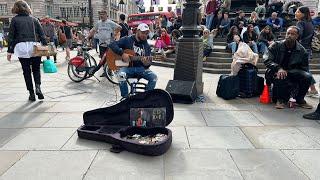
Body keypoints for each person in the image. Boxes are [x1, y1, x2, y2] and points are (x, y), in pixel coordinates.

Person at [264, 26, 313, 109]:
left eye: (292, 34)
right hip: (275, 70)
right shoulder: (276, 45)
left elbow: (304, 67)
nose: (289, 35)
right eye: (288, 33)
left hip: (292, 71)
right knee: (281, 74)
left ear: (297, 36)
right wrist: (278, 68)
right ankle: (280, 100)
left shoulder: (302, 50)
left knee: (307, 76)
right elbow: (267, 59)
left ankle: (300, 99)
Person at [7, 0, 47, 101]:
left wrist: (9, 52)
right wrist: (46, 48)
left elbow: (11, 37)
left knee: (26, 71)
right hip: (34, 46)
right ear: (27, 7)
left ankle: (31, 93)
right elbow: (42, 34)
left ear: (16, 8)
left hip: (21, 47)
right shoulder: (34, 19)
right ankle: (38, 87)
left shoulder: (14, 20)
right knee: (36, 69)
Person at [108, 23, 157, 98]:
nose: (145, 35)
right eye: (143, 33)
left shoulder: (146, 45)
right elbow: (112, 44)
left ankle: (146, 97)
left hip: (140, 68)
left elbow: (148, 64)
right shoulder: (127, 39)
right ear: (137, 31)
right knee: (121, 75)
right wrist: (122, 54)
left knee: (154, 77)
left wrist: (146, 63)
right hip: (127, 68)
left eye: (146, 33)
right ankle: (125, 97)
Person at [87, 10, 121, 75]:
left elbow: (119, 27)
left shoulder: (110, 22)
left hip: (109, 44)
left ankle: (109, 71)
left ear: (106, 15)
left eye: (103, 14)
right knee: (102, 58)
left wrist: (115, 33)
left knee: (109, 57)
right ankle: (105, 72)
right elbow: (93, 30)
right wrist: (88, 37)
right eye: (100, 14)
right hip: (101, 44)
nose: (101, 15)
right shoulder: (98, 23)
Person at [295, 6, 318, 97]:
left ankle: (312, 89)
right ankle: (308, 89)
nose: (295, 13)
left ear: (303, 14)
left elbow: (298, 35)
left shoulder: (300, 23)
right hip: (308, 49)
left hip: (301, 50)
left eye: (297, 11)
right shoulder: (310, 22)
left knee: (304, 70)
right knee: (304, 69)